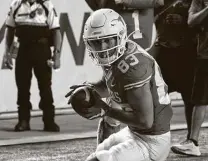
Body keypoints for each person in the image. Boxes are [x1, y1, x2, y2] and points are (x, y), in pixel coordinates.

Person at [66, 9, 173, 161]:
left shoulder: (133, 67)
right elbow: (107, 86)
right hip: (134, 133)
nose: (103, 48)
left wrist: (105, 110)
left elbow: (145, 121)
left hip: (152, 142)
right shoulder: (116, 54)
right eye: (96, 42)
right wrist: (89, 89)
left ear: (120, 36)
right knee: (98, 152)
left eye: (107, 40)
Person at [85, 0, 164, 144]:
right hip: (121, 57)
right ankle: (105, 153)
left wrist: (126, 2)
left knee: (150, 117)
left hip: (143, 57)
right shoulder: (109, 6)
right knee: (112, 116)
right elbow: (101, 8)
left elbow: (159, 2)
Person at [3, 0, 62, 132]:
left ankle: (49, 121)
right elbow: (10, 30)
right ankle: (23, 121)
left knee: (45, 87)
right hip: (22, 50)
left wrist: (57, 55)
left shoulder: (47, 5)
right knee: (22, 87)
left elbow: (56, 32)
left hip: (42, 49)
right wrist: (7, 53)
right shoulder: (16, 4)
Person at [171, 0, 208, 156]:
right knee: (200, 100)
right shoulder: (198, 1)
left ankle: (192, 142)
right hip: (205, 56)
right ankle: (192, 142)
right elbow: (191, 21)